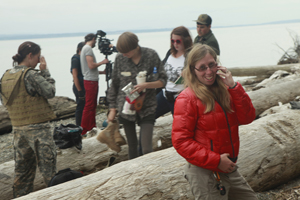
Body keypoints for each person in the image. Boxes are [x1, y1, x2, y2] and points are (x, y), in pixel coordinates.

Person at [172, 44, 257, 199]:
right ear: (193, 70)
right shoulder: (187, 98)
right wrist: (216, 160)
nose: (209, 71)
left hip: (228, 168)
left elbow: (248, 117)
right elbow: (181, 141)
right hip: (205, 172)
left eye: (212, 65)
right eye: (202, 67)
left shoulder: (226, 90)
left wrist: (233, 86)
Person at [0, 41, 57, 198]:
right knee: (49, 172)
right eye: (38, 57)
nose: (39, 61)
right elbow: (50, 91)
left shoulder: (5, 76)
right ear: (30, 55)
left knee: (22, 174)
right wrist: (45, 72)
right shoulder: (30, 74)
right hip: (39, 131)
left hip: (18, 130)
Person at [106, 32, 167, 159]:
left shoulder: (151, 55)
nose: (124, 55)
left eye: (126, 52)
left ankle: (148, 173)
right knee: (132, 147)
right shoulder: (120, 58)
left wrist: (146, 85)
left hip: (147, 107)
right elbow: (114, 85)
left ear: (135, 47)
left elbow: (163, 81)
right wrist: (112, 108)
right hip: (126, 108)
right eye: (121, 52)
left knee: (146, 149)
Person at [155, 26, 193, 118]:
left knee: (180, 125)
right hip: (165, 94)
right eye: (173, 41)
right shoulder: (170, 52)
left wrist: (188, 74)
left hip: (179, 97)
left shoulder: (191, 55)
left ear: (186, 40)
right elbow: (162, 68)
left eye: (178, 41)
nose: (175, 44)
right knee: (148, 114)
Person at [80, 33, 109, 136]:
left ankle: (91, 126)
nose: (96, 43)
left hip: (91, 79)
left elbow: (90, 68)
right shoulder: (88, 48)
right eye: (95, 41)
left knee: (92, 105)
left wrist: (101, 72)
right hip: (90, 81)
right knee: (89, 106)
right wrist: (103, 62)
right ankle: (84, 129)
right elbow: (91, 65)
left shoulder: (85, 48)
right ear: (93, 39)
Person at [71, 41, 85, 126]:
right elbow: (75, 75)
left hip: (83, 84)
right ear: (79, 49)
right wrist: (79, 90)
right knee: (80, 106)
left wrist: (102, 72)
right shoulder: (76, 59)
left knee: (85, 106)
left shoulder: (83, 59)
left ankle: (83, 125)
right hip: (78, 85)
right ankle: (78, 126)